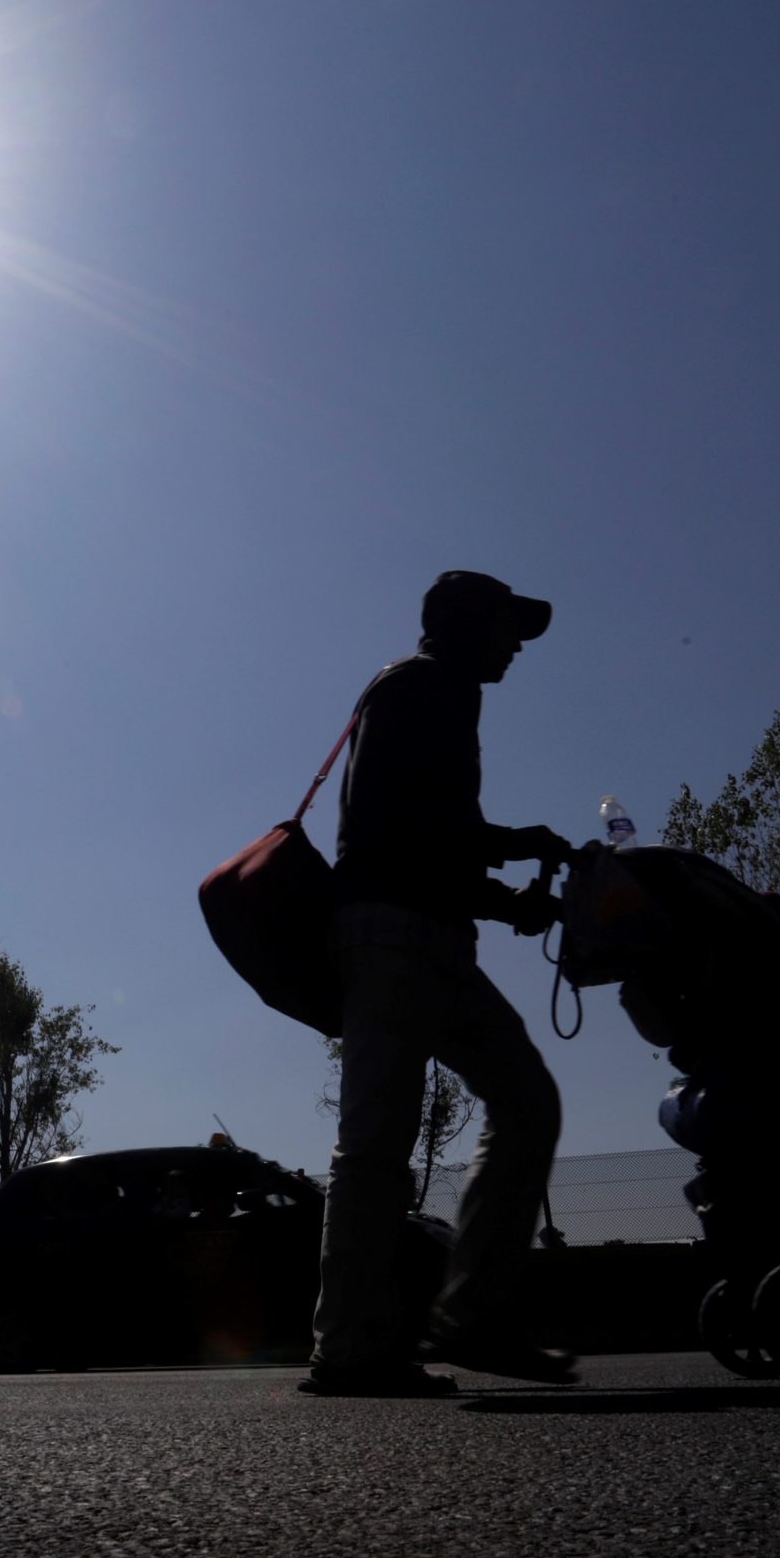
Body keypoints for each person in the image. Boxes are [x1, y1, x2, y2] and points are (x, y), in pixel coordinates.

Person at [307, 572, 578, 1397]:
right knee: (379, 1144)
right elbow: (409, 830)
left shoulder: (441, 693)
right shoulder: (421, 687)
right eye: (507, 627)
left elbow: (426, 841)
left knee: (524, 1100)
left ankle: (467, 1314)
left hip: (429, 938)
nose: (518, 645)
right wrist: (513, 844)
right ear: (464, 625)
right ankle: (353, 1347)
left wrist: (503, 903)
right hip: (392, 936)